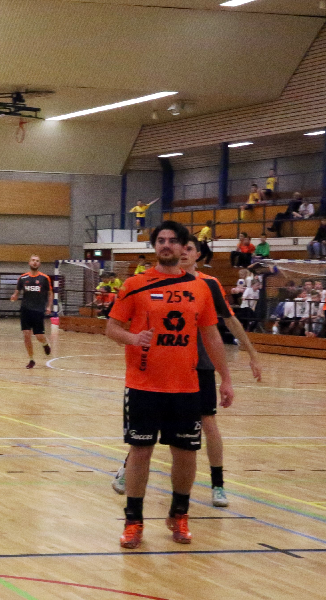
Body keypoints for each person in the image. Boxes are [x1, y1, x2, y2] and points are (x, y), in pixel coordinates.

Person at [105, 221, 233, 549]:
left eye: (172, 241)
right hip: (143, 385)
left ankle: (179, 514)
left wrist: (226, 378)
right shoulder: (134, 284)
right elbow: (112, 328)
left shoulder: (201, 288)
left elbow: (212, 335)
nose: (166, 245)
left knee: (186, 454)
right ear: (155, 246)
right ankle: (134, 521)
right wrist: (134, 338)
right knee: (140, 452)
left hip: (187, 387)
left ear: (183, 247)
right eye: (161, 240)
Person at [114, 237, 261, 507]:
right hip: (160, 369)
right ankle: (128, 470)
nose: (183, 252)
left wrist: (251, 353)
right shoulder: (153, 281)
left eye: (189, 248)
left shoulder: (208, 284)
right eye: (181, 247)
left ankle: (218, 485)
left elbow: (229, 321)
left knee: (207, 423)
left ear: (197, 255)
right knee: (147, 430)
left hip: (199, 368)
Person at [10, 255, 53, 369]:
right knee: (26, 335)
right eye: (33, 260)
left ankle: (45, 344)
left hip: (38, 310)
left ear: (39, 264)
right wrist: (14, 296)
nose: (35, 262)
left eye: (37, 261)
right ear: (29, 262)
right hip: (25, 310)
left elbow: (50, 293)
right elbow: (17, 291)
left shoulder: (44, 278)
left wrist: (49, 306)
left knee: (39, 336)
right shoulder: (23, 278)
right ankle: (31, 359)